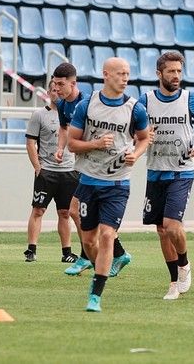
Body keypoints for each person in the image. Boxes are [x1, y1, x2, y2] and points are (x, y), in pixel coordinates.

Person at [68, 57, 150, 312]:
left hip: (117, 183)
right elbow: (72, 143)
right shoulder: (87, 105)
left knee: (106, 236)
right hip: (89, 182)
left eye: (127, 74)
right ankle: (107, 264)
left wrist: (135, 155)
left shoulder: (135, 108)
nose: (125, 78)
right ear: (105, 74)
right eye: (120, 74)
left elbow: (144, 138)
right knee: (89, 241)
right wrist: (94, 144)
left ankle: (96, 295)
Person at [140, 52, 194, 300]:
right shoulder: (146, 101)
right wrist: (143, 137)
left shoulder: (191, 99)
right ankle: (173, 282)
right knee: (161, 230)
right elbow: (135, 130)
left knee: (172, 226)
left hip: (182, 170)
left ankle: (184, 263)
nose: (176, 76)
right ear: (159, 73)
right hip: (156, 170)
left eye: (179, 71)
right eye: (171, 71)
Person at [52, 63, 131, 277]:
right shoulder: (62, 105)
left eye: (61, 84)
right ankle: (111, 254)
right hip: (84, 165)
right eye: (55, 84)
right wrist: (60, 148)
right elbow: (64, 128)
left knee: (81, 214)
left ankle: (88, 257)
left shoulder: (87, 103)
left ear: (73, 83)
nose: (57, 89)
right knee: (76, 212)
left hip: (98, 169)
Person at [23, 80, 79, 263]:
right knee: (38, 210)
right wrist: (37, 167)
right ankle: (31, 249)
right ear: (48, 92)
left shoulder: (74, 114)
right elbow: (31, 143)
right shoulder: (39, 115)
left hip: (69, 171)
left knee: (65, 212)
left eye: (58, 90)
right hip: (47, 171)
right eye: (53, 90)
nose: (56, 93)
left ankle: (67, 252)